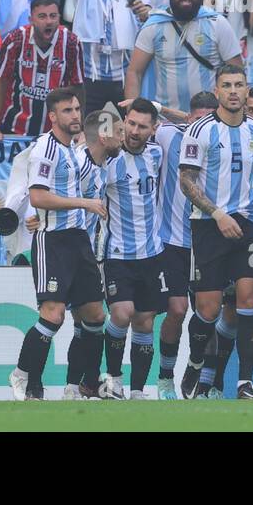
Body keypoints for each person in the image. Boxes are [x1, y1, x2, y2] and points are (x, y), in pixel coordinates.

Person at [175, 65, 253, 399]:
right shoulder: (199, 130)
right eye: (226, 85)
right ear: (217, 91)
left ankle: (245, 381)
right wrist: (216, 214)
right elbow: (186, 180)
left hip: (247, 223)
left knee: (249, 300)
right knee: (209, 309)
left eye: (239, 85)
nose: (233, 91)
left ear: (247, 91)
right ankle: (196, 361)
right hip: (207, 224)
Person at [9, 87, 108, 400]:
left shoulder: (71, 150)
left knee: (94, 316)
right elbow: (38, 196)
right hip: (52, 241)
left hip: (78, 240)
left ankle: (80, 386)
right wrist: (85, 203)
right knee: (53, 315)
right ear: (53, 116)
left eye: (77, 109)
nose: (75, 115)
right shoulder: (45, 149)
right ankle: (25, 376)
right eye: (67, 110)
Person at [96, 99, 166, 400]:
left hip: (152, 253)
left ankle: (138, 390)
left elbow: (189, 120)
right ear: (123, 122)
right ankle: (113, 379)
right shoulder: (108, 160)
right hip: (117, 254)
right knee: (122, 314)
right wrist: (110, 115)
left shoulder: (156, 154)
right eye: (131, 124)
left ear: (154, 129)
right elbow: (101, 117)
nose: (135, 131)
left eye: (142, 126)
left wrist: (158, 105)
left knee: (145, 321)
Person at [152, 89, 219, 399]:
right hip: (172, 241)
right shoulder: (168, 135)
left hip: (210, 239)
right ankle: (165, 378)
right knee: (177, 311)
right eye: (196, 120)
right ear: (188, 118)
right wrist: (179, 114)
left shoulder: (226, 137)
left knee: (210, 314)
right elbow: (122, 121)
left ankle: (199, 371)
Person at [47, 0, 151, 110]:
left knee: (126, 132)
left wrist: (144, 13)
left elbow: (148, 15)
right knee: (88, 132)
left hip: (124, 76)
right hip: (89, 76)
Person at [124, 0, 242, 113]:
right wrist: (131, 114)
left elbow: (237, 72)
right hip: (167, 122)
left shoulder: (217, 23)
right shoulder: (154, 25)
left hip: (211, 120)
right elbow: (134, 72)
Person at [0, 0, 83, 145]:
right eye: (42, 16)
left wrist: (77, 128)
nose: (48, 21)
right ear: (31, 19)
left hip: (55, 131)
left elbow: (77, 87)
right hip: (14, 127)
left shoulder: (71, 43)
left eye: (53, 16)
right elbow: (1, 82)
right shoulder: (14, 40)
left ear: (59, 18)